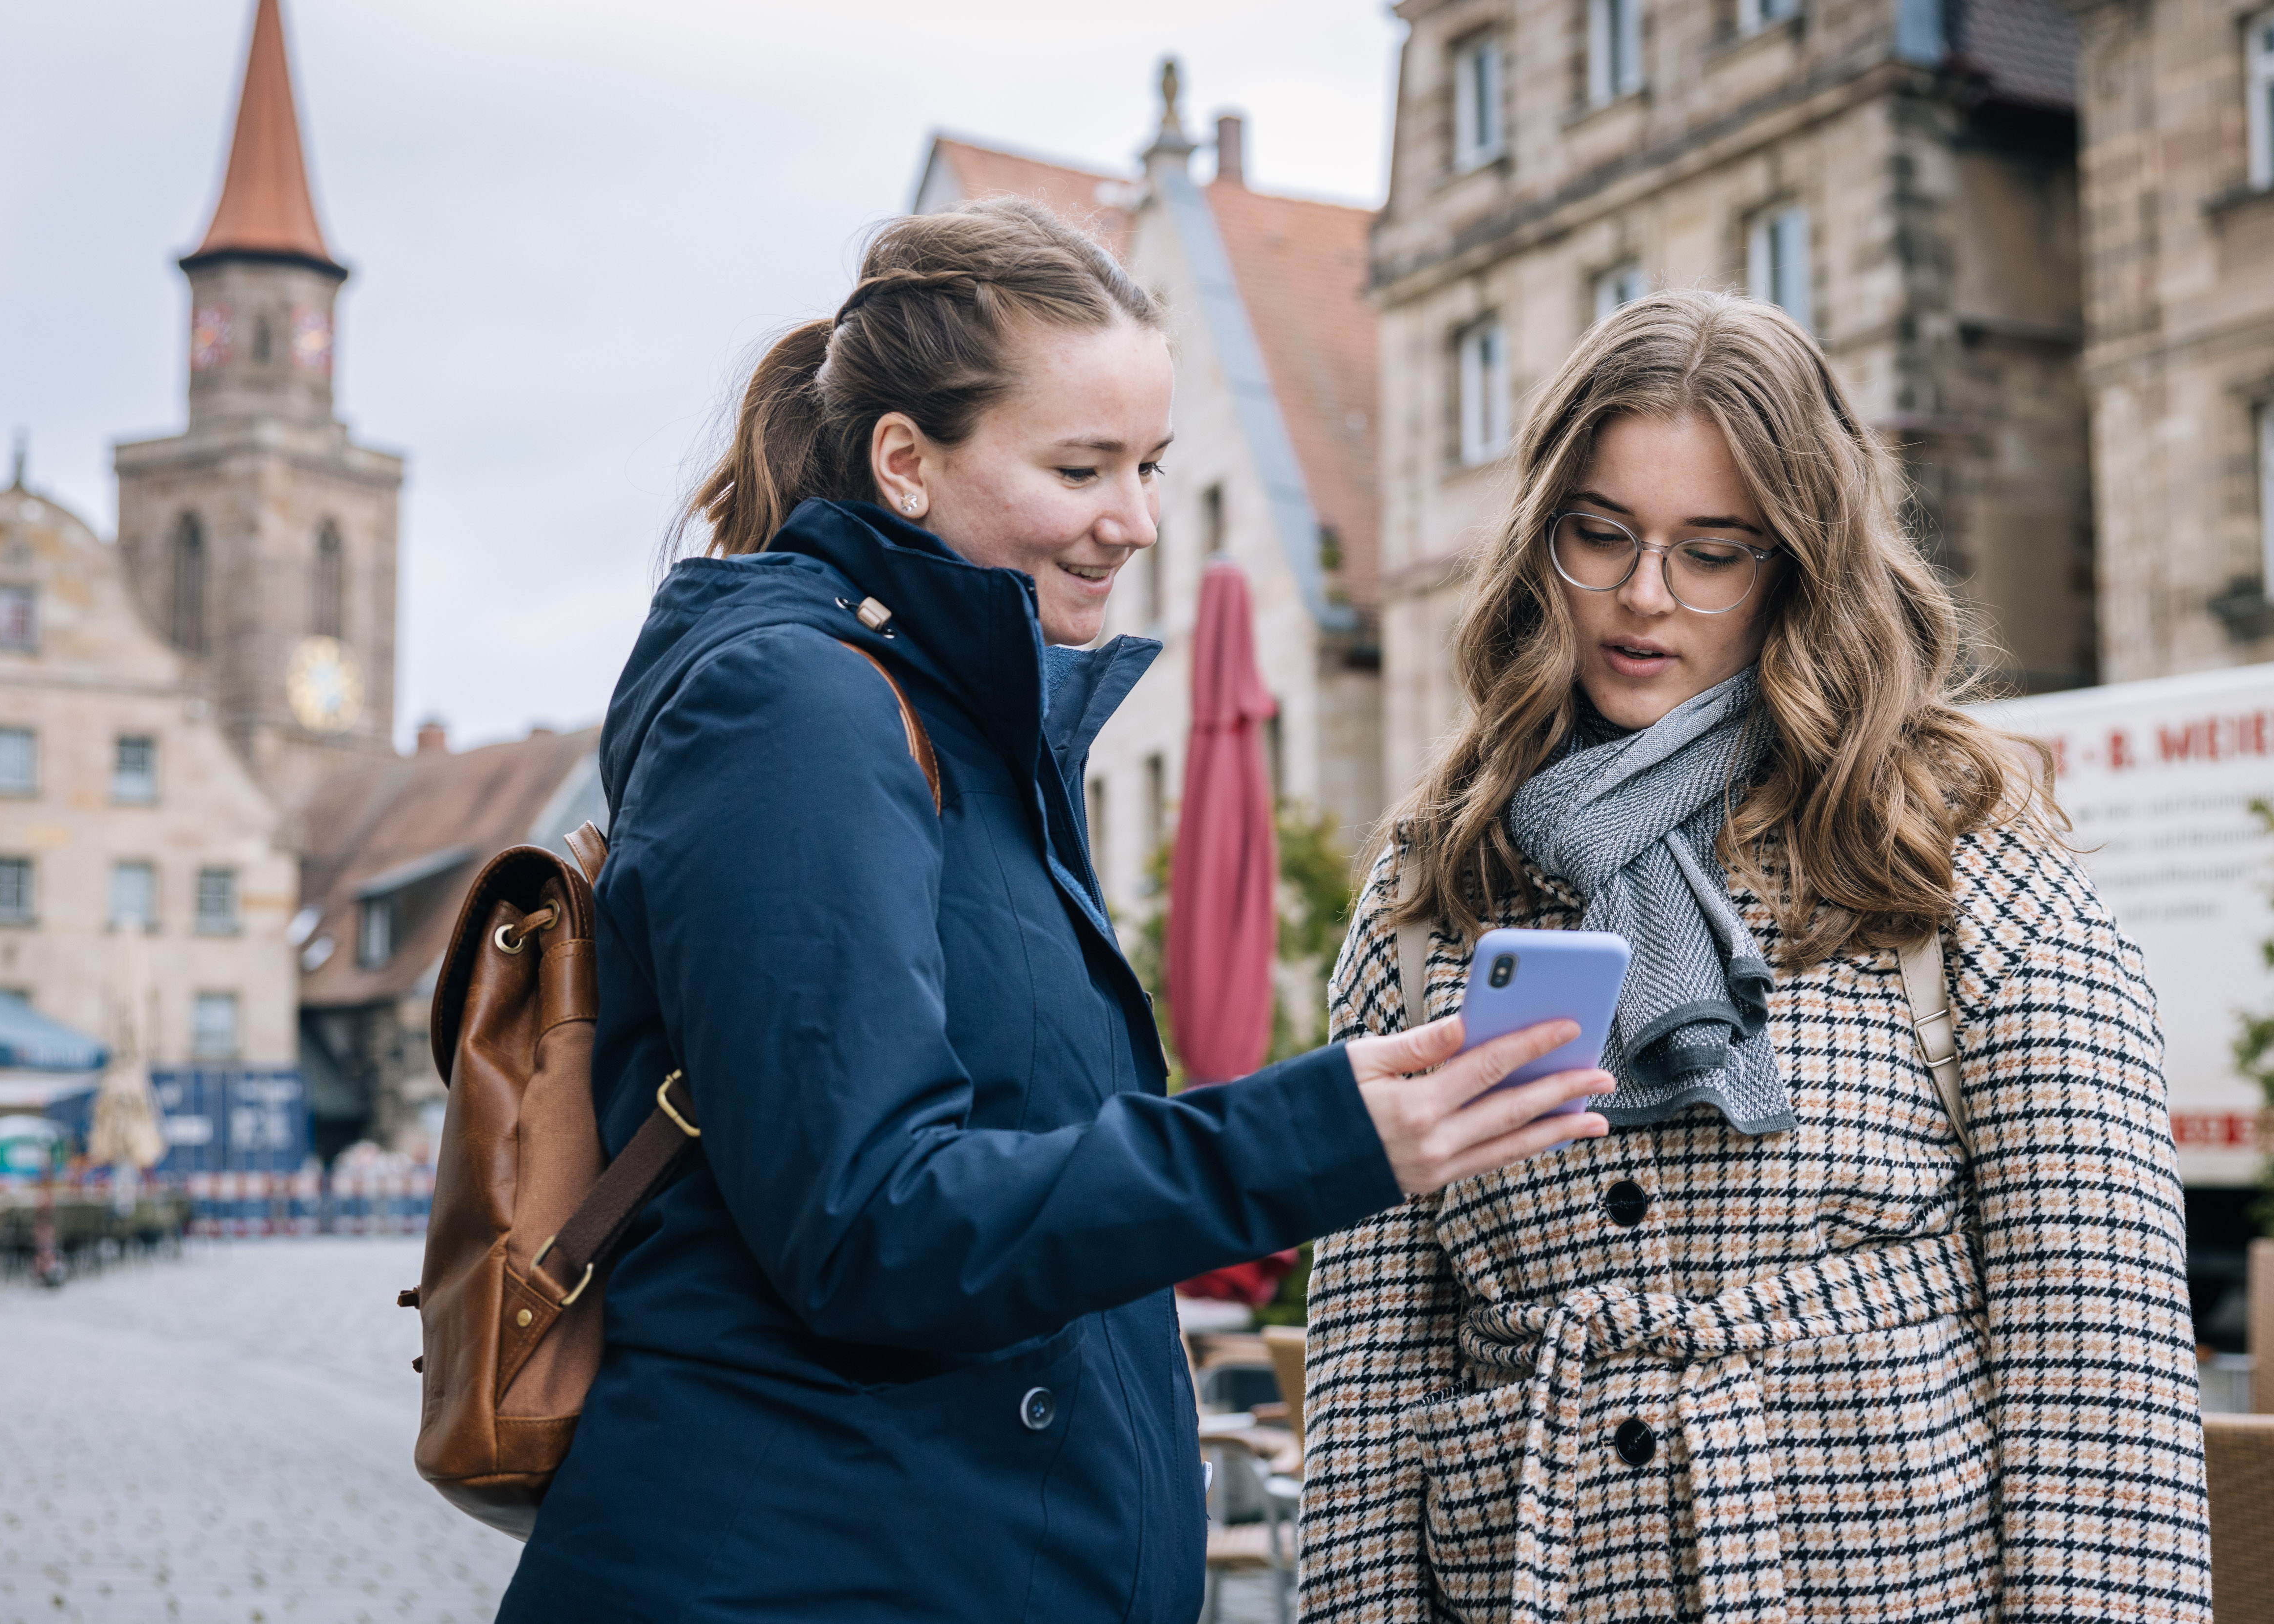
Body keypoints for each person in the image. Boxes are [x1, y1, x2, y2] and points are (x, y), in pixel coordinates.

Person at [495, 198, 1619, 1624]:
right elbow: (869, 1227)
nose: (1134, 522)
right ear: (904, 461)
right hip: (802, 1567)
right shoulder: (796, 708)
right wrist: (1318, 1132)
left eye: (1148, 465)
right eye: (1081, 467)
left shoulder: (957, 716)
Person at [1298, 290, 2210, 1623]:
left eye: (1710, 552)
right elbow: (1367, 1372)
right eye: (1597, 535)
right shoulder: (1436, 881)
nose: (1641, 597)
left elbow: (2100, 1366)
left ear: (1798, 562)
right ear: (1537, 535)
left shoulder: (1956, 851)